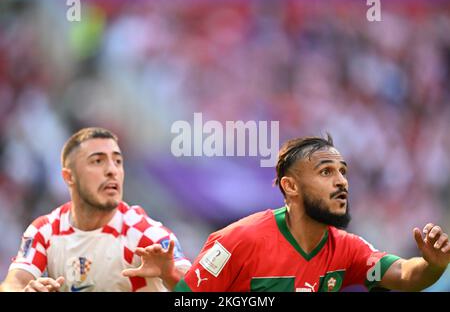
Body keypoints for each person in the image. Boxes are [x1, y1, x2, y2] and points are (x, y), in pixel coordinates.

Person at [126, 134, 450, 292]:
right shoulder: (236, 241)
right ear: (290, 186)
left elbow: (407, 276)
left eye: (343, 172)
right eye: (326, 172)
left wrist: (433, 266)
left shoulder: (347, 249)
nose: (341, 182)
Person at [0, 127, 190, 292]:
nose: (112, 170)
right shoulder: (45, 231)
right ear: (69, 177)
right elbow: (12, 283)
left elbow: (197, 291)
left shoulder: (145, 236)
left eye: (117, 161)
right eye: (98, 161)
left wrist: (170, 275)